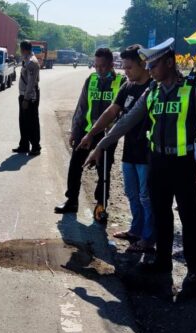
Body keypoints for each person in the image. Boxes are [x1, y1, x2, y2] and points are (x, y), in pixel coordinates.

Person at [84, 38, 196, 283]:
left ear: (169, 62)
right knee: (161, 214)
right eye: (149, 65)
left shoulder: (194, 88)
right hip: (157, 162)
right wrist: (100, 145)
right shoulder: (152, 91)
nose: (151, 69)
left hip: (184, 163)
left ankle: (194, 270)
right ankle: (163, 261)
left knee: (189, 217)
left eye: (154, 65)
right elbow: (126, 121)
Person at [78, 44, 154, 251]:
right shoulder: (128, 86)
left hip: (148, 153)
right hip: (130, 150)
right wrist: (91, 134)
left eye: (129, 68)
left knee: (146, 196)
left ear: (143, 64)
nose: (125, 72)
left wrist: (101, 143)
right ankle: (136, 230)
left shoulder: (153, 88)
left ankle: (148, 239)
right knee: (131, 192)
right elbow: (112, 112)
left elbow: (124, 121)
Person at [54, 48, 126, 224]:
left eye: (103, 66)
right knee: (75, 165)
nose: (99, 69)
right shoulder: (91, 80)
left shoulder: (122, 82)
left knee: (104, 171)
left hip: (107, 135)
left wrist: (113, 133)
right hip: (86, 132)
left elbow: (123, 113)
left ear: (111, 64)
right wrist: (74, 130)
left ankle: (100, 206)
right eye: (96, 66)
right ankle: (71, 201)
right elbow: (81, 107)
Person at [13, 41, 41, 156]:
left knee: (32, 122)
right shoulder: (26, 60)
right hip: (24, 95)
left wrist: (26, 99)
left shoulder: (31, 62)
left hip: (29, 97)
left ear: (24, 49)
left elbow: (31, 83)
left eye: (20, 49)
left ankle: (35, 147)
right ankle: (24, 145)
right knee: (23, 121)